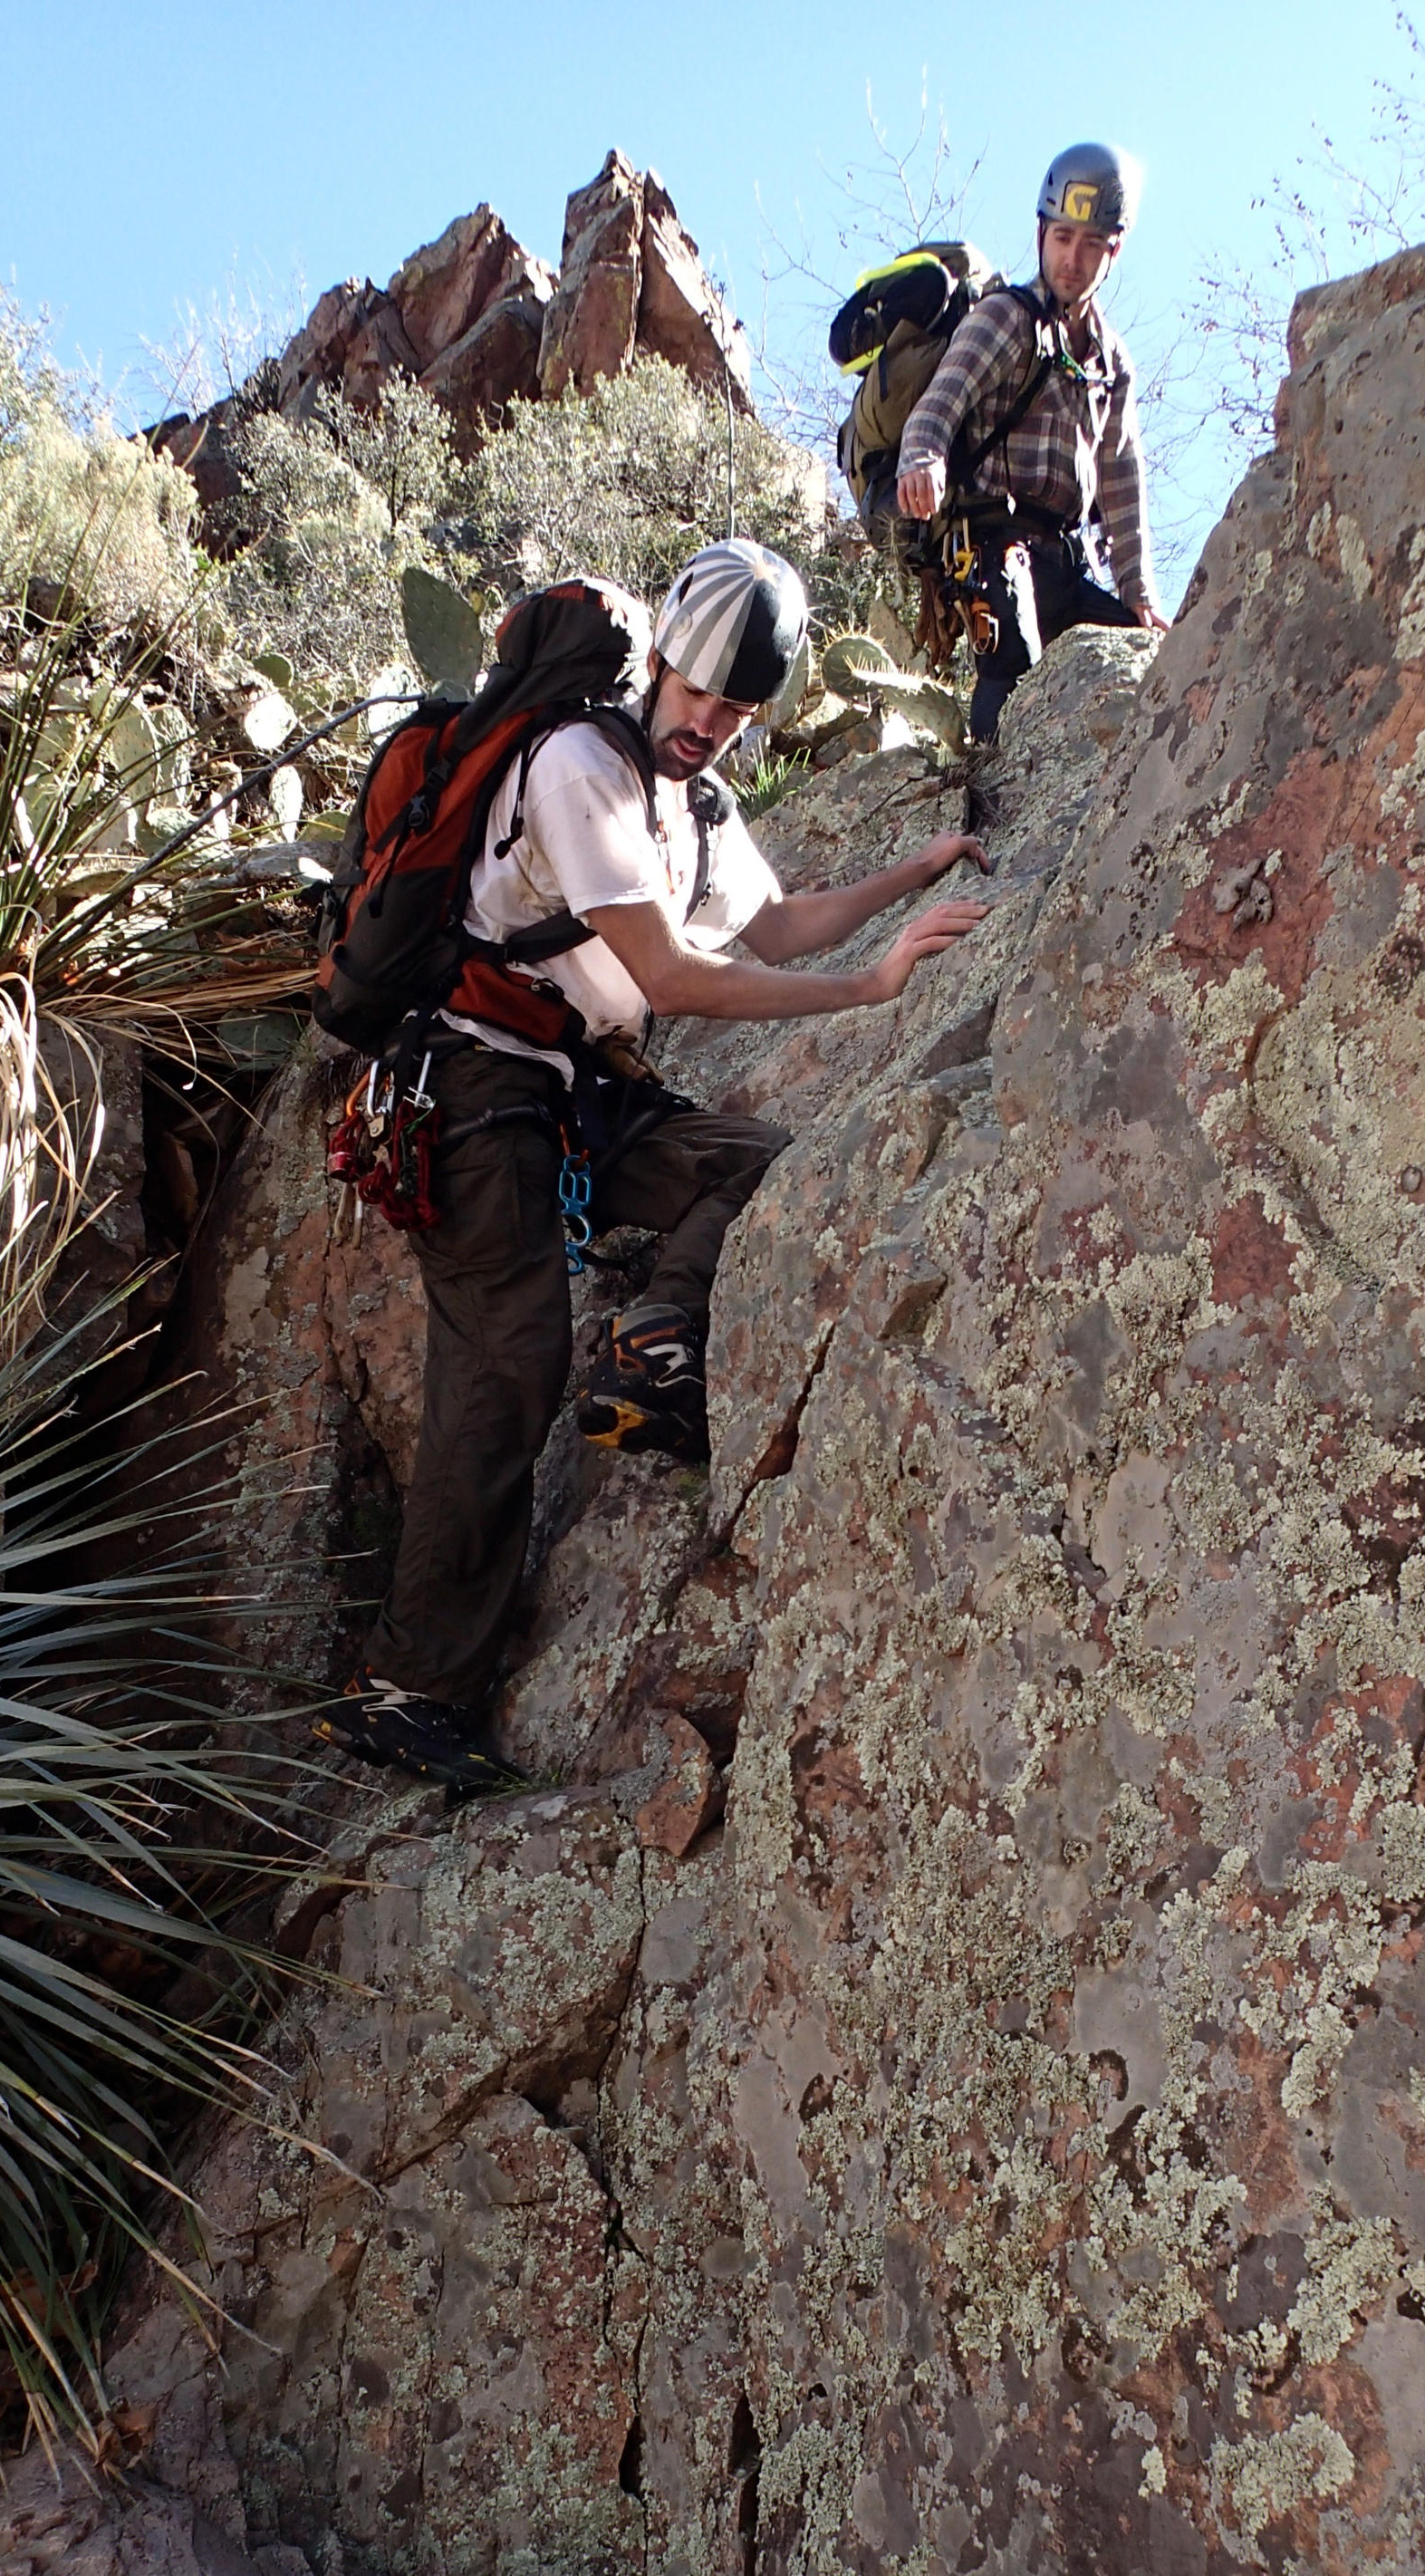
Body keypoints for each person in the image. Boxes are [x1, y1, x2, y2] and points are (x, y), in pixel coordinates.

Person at [319, 538, 989, 1793]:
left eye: (739, 709)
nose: (712, 725)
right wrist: (872, 987)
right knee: (509, 1361)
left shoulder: (694, 806)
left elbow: (773, 921)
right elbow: (676, 975)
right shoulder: (578, 764)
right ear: (663, 662)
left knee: (752, 1163)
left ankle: (656, 1352)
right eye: (698, 694)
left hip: (576, 1090)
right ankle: (407, 1686)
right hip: (467, 1083)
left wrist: (913, 877)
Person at [894, 141, 1167, 739]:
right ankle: (986, 785)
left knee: (1145, 661)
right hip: (990, 543)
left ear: (1113, 250)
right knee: (1013, 660)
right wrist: (922, 461)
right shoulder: (1005, 317)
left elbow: (1122, 479)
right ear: (1041, 231)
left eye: (1091, 243)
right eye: (1063, 236)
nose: (1073, 257)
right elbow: (937, 406)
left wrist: (1138, 593)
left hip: (1065, 559)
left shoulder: (1110, 363)